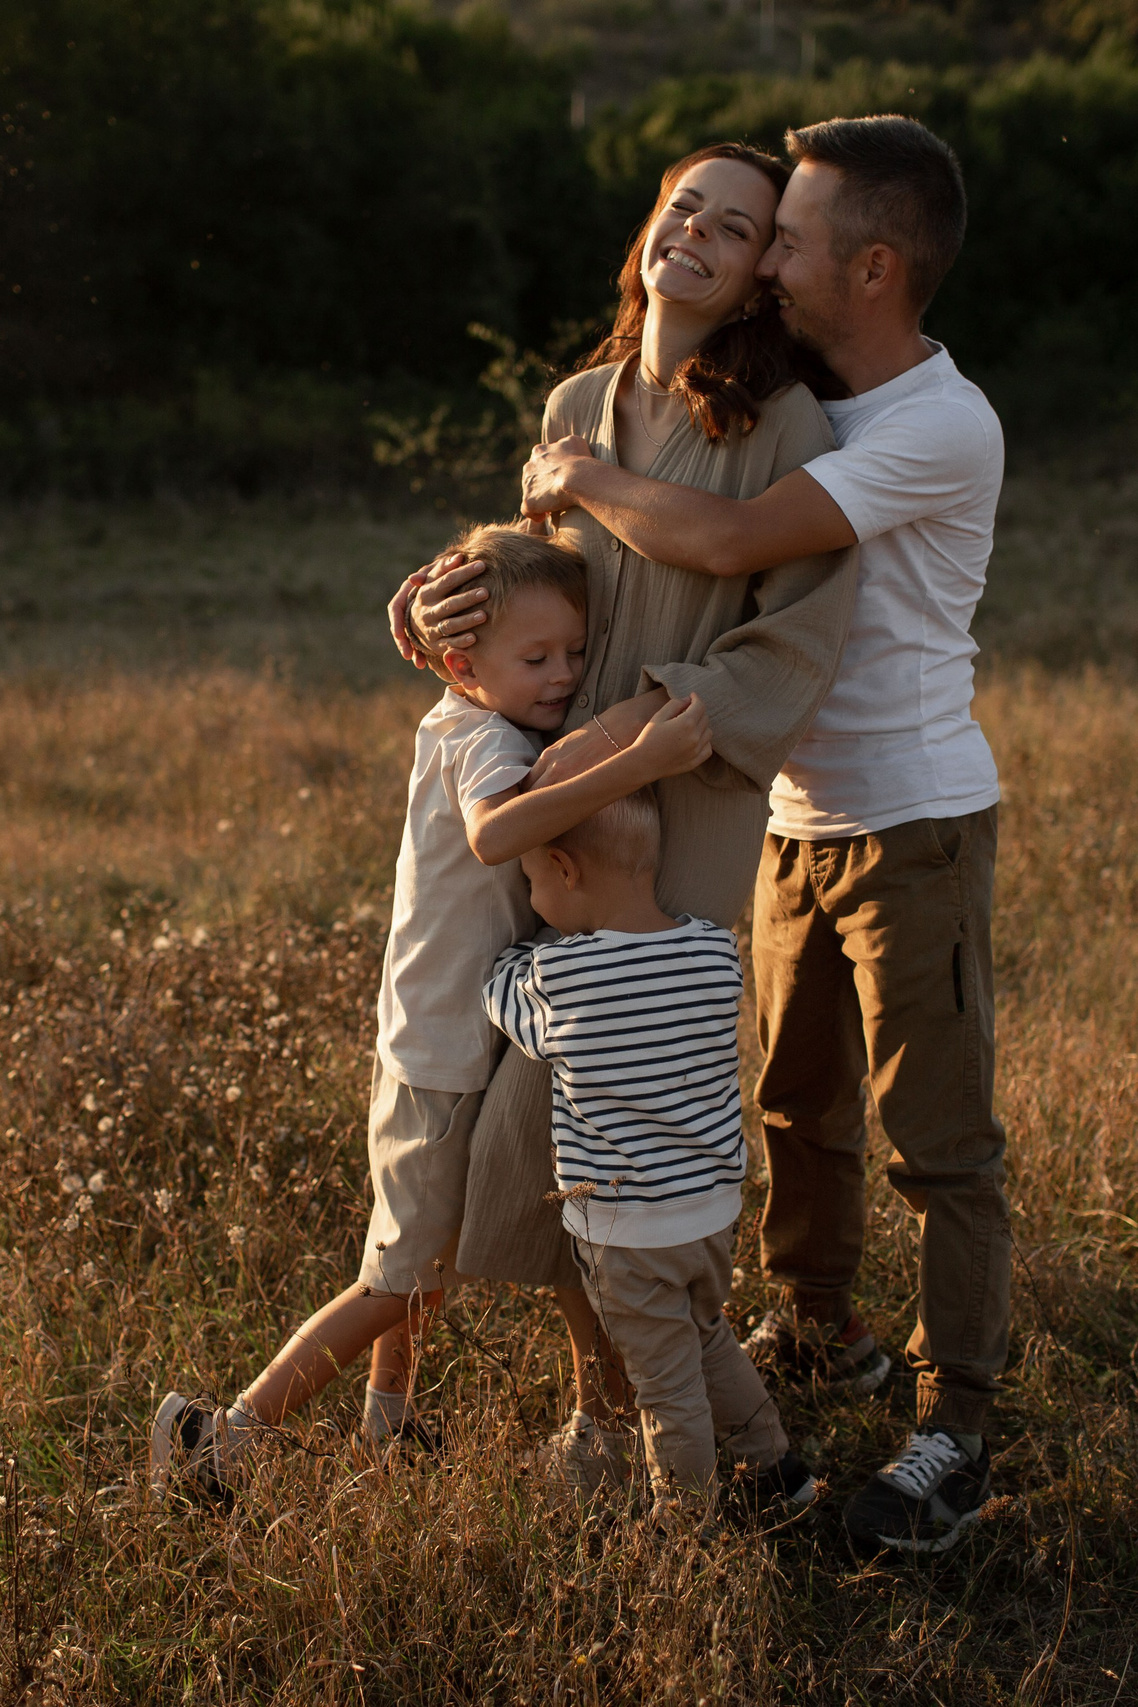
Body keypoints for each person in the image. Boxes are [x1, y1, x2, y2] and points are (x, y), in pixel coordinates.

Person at [516, 115, 1009, 1556]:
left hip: (912, 812)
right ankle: (818, 1328)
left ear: (870, 265)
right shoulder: (794, 387)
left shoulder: (932, 419)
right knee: (794, 1114)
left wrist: (573, 472)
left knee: (941, 1143)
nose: (767, 258)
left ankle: (954, 1423)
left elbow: (731, 546)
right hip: (781, 811)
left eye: (787, 238)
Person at [388, 141, 859, 1489]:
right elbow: (518, 590)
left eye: (735, 228)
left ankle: (667, 1431)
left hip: (684, 811)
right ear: (645, 233)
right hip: (549, 814)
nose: (697, 236)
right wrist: (425, 608)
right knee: (545, 1117)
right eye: (680, 210)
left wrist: (652, 713)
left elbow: (794, 642)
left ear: (760, 272)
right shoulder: (577, 401)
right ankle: (616, 1405)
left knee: (637, 1122)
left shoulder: (782, 431)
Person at [149, 523, 711, 1499]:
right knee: (399, 1273)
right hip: (441, 1050)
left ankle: (390, 1419)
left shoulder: (465, 716)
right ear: (460, 661)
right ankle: (227, 1435)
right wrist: (638, 760)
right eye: (535, 658)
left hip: (465, 1036)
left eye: (574, 654)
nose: (561, 676)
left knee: (427, 1258)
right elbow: (497, 833)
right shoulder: (484, 740)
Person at [483, 787, 816, 1532]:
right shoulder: (708, 948)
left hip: (629, 1233)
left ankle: (683, 1527)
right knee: (705, 1335)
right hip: (709, 1213)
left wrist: (521, 950)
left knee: (665, 1387)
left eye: (533, 879)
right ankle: (776, 1467)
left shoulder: (560, 977)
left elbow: (497, 988)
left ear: (566, 869)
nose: (533, 897)